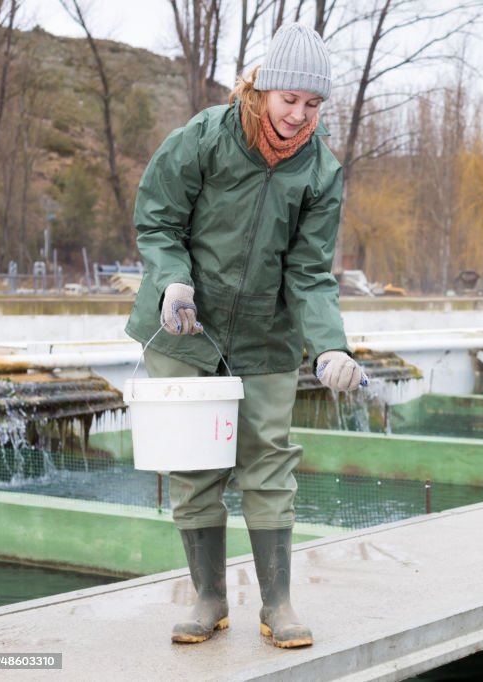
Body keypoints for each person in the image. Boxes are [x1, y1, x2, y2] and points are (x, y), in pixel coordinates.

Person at [125, 23, 364, 648]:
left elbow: (310, 271)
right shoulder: (205, 136)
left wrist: (331, 345)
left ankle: (277, 604)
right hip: (184, 329)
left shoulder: (321, 171)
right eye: (291, 99)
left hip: (265, 338)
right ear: (260, 86)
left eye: (313, 105)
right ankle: (207, 597)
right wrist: (173, 281)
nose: (299, 115)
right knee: (195, 467)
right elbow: (157, 219)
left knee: (268, 466)